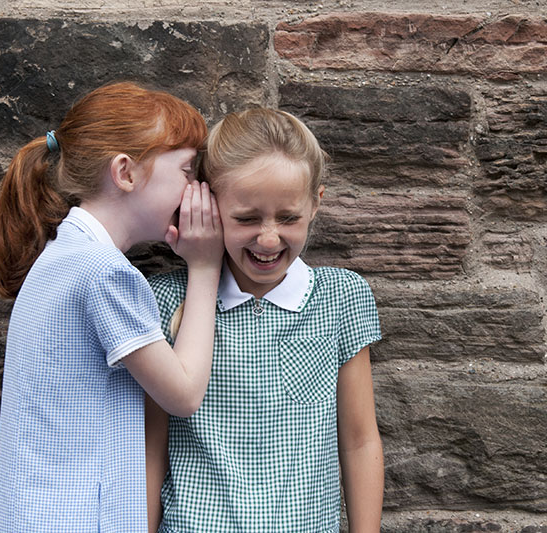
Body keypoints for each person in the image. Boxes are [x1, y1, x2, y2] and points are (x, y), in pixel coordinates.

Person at [0, 81, 224, 533]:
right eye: (188, 171)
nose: (197, 188)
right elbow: (184, 394)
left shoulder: (63, 254)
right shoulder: (104, 273)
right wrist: (206, 266)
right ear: (126, 173)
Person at [147, 108, 384, 532]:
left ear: (315, 205)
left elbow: (360, 439)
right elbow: (150, 449)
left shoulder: (342, 298)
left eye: (288, 218)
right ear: (207, 206)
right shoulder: (166, 302)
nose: (269, 238)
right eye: (247, 218)